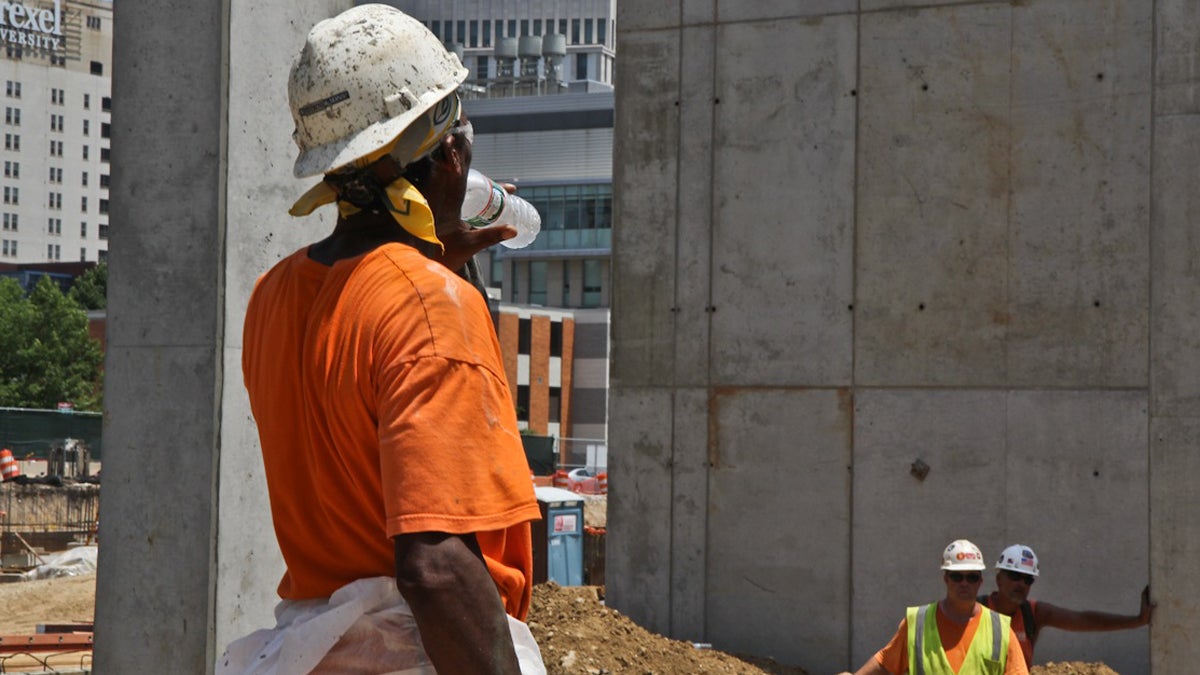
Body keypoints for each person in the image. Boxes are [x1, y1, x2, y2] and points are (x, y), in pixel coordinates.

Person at [218, 5, 544, 674]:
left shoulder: (274, 295)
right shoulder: (428, 305)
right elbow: (437, 568)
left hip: (313, 651)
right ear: (450, 153)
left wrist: (440, 269)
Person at [849, 539, 1029, 675]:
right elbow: (885, 662)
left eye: (971, 577)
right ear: (946, 579)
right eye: (957, 577)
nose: (964, 583)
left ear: (980, 581)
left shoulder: (1001, 631)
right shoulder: (917, 623)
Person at [977, 544, 1153, 669]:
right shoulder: (976, 610)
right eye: (1015, 576)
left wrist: (1136, 621)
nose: (1021, 584)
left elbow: (1082, 620)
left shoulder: (1033, 614)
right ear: (999, 579)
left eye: (1027, 579)